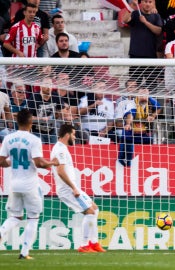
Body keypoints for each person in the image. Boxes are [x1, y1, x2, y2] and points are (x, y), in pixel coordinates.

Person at [0, 108, 59, 259]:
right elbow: (39, 163)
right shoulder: (34, 140)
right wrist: (53, 162)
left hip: (14, 184)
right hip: (30, 184)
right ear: (31, 122)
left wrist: (11, 161)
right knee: (33, 218)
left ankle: (1, 233)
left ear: (17, 121)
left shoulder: (7, 139)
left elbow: (1, 162)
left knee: (15, 217)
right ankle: (24, 252)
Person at [50, 124, 105, 252]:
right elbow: (60, 171)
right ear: (67, 134)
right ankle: (85, 245)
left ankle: (94, 243)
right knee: (90, 212)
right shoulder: (60, 150)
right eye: (74, 134)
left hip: (71, 187)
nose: (75, 137)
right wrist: (74, 188)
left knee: (95, 209)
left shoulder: (62, 148)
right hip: (67, 189)